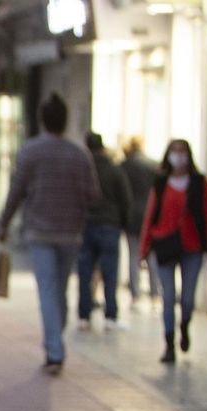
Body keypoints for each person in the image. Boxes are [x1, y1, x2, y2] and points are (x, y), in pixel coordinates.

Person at [0, 93, 100, 376]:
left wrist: (3, 222)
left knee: (48, 290)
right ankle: (55, 343)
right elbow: (93, 195)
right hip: (70, 231)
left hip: (40, 230)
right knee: (60, 289)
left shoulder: (31, 151)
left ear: (42, 121)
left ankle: (54, 349)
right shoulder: (79, 154)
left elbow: (16, 190)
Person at [138, 139, 207, 364]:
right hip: (165, 245)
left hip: (192, 247)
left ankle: (185, 325)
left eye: (182, 152)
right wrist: (143, 249)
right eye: (175, 151)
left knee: (188, 298)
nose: (179, 156)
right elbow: (150, 216)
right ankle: (169, 344)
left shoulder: (199, 183)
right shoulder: (161, 183)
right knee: (169, 296)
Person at [77, 132, 134, 331]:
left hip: (87, 225)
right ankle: (111, 314)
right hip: (110, 225)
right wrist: (124, 224)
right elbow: (125, 199)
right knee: (110, 272)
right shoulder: (113, 170)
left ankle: (83, 314)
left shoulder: (83, 169)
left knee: (85, 272)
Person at [121, 136, 159, 304]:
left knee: (133, 255)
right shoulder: (152, 165)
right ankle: (155, 293)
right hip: (149, 214)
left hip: (131, 215)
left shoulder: (124, 166)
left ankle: (135, 293)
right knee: (151, 255)